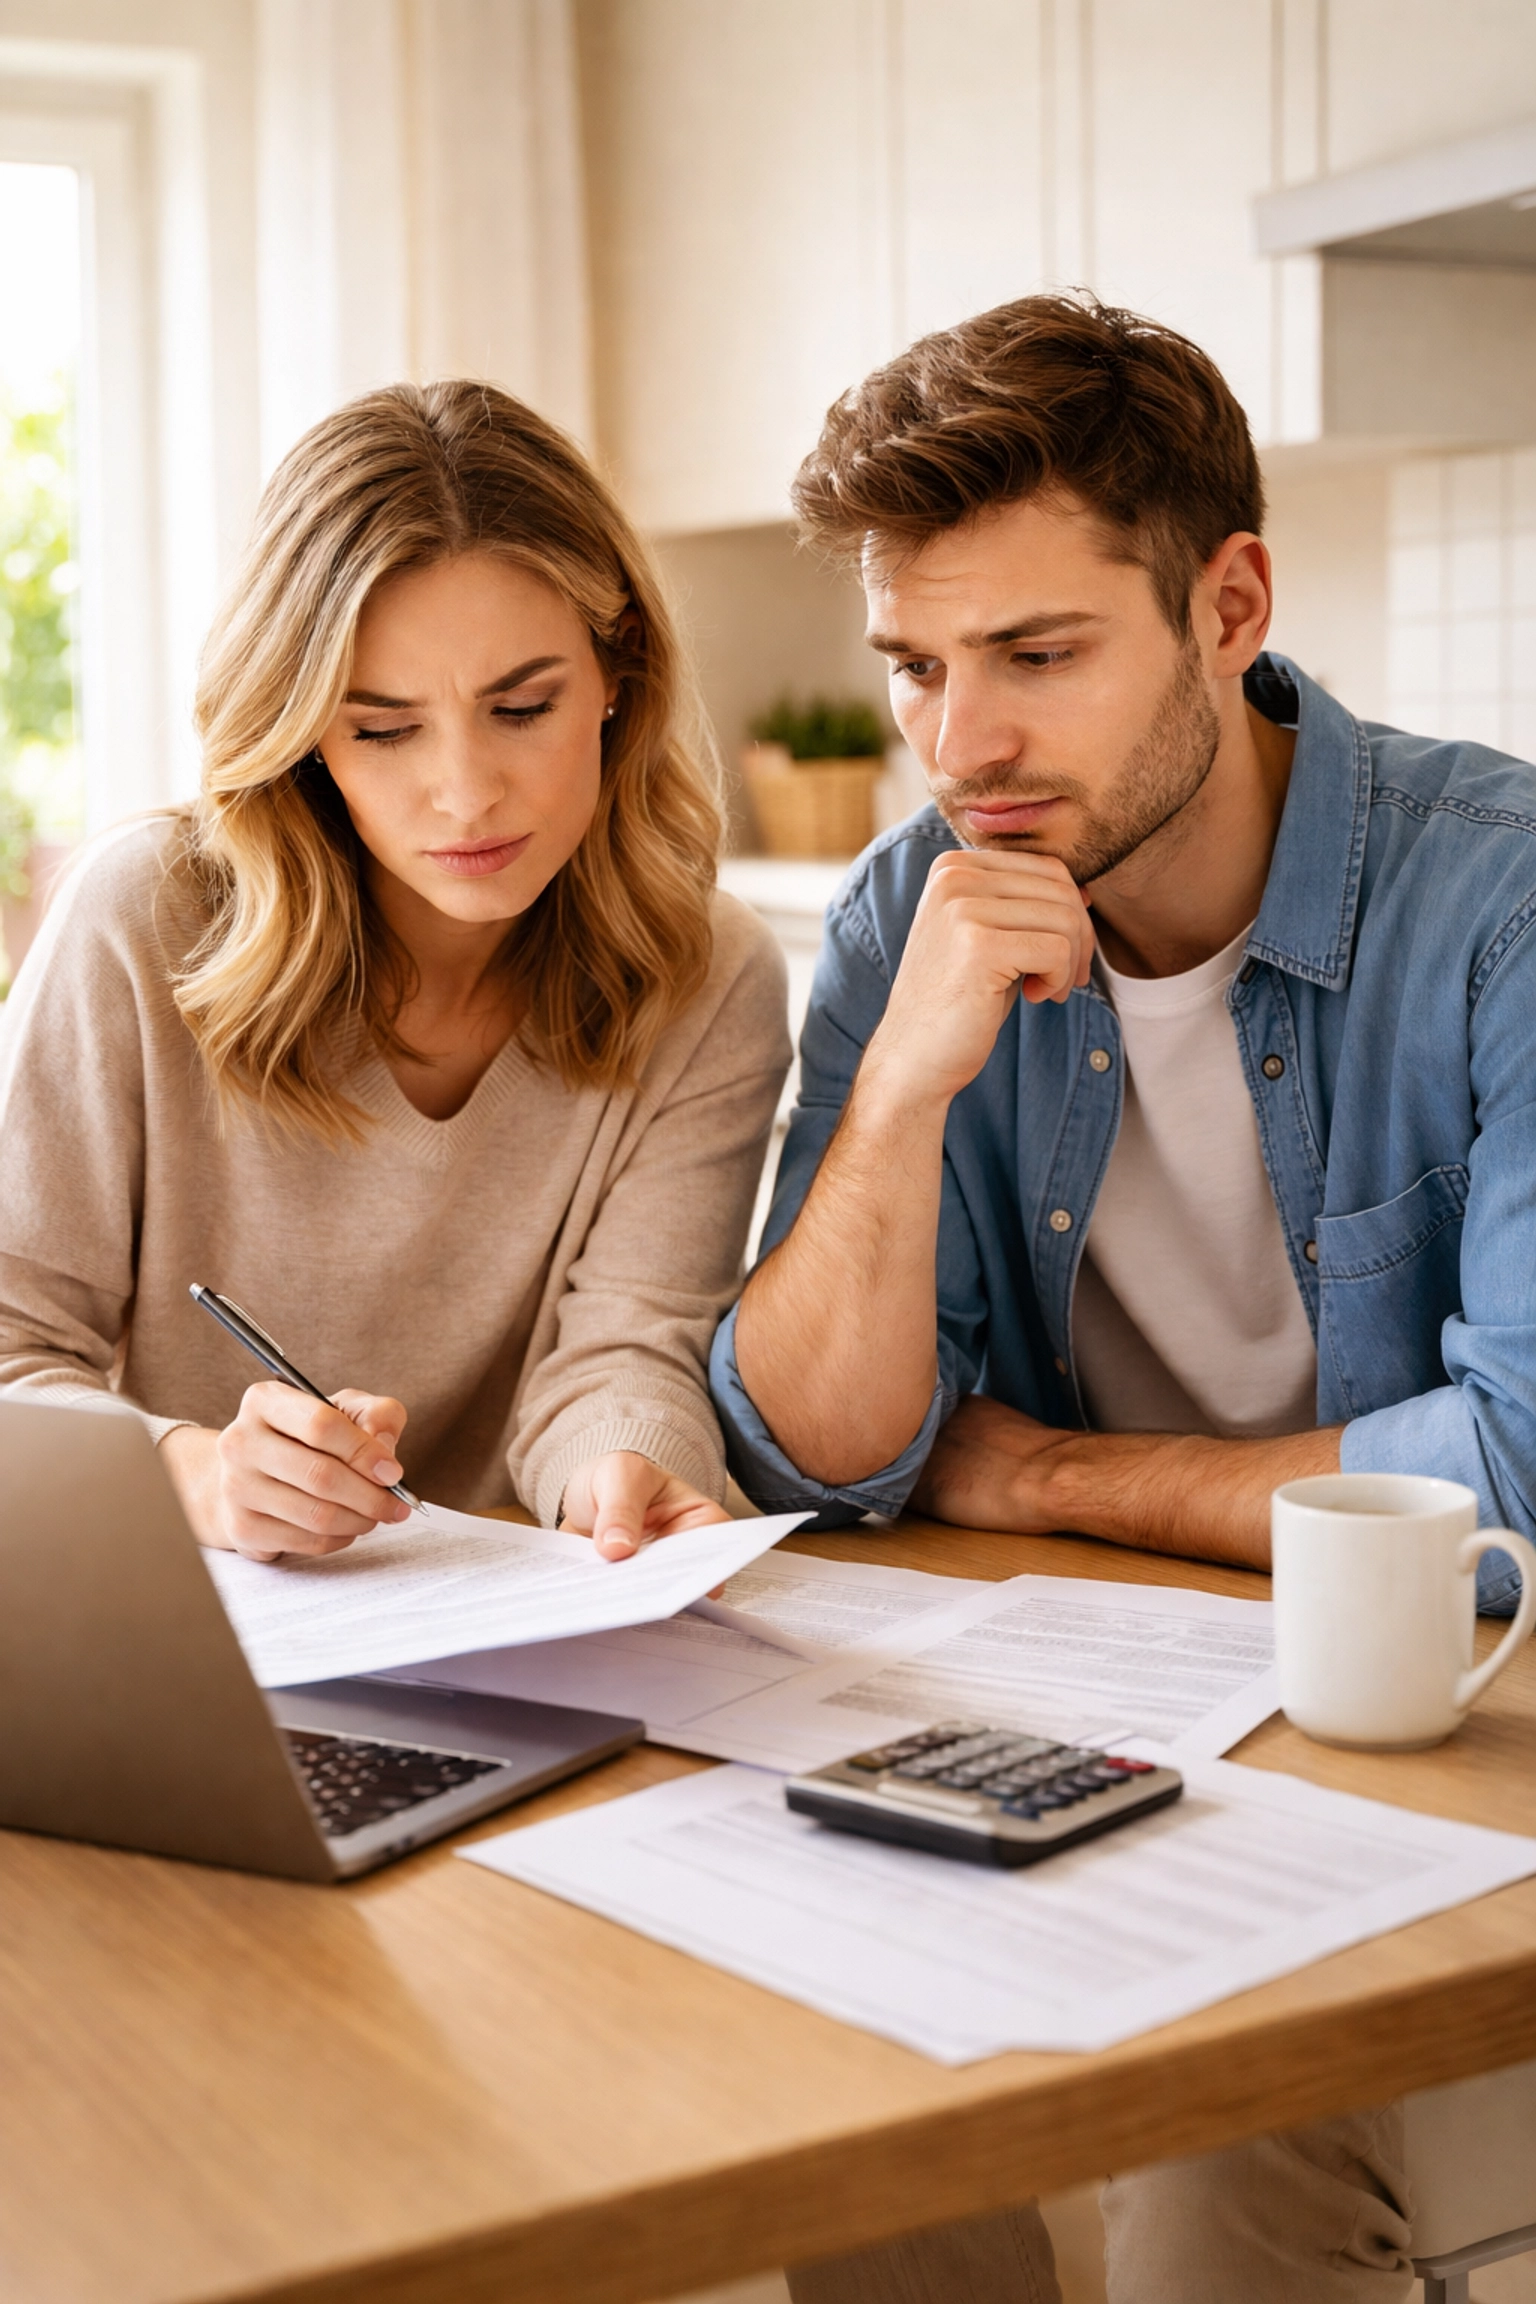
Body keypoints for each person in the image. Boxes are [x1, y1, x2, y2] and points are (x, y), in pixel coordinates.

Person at [708, 293, 1536, 2299]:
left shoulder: (1498, 900)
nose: (956, 744)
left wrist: (1050, 1479)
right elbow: (823, 1452)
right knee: (869, 2103)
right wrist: (899, 1094)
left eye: (1037, 657)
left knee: (1287, 2163)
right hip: (1134, 1735)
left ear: (1230, 604)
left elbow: (1515, 1470)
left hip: (1452, 1743)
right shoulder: (916, 906)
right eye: (913, 667)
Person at [0, 380, 789, 1564]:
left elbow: (627, 1348)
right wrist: (197, 1476)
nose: (466, 792)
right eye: (382, 728)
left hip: (518, 1633)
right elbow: (13, 1350)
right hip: (201, 1634)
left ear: (617, 672)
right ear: (305, 732)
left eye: (523, 707)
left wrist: (629, 1472)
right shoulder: (141, 919)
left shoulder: (709, 974)